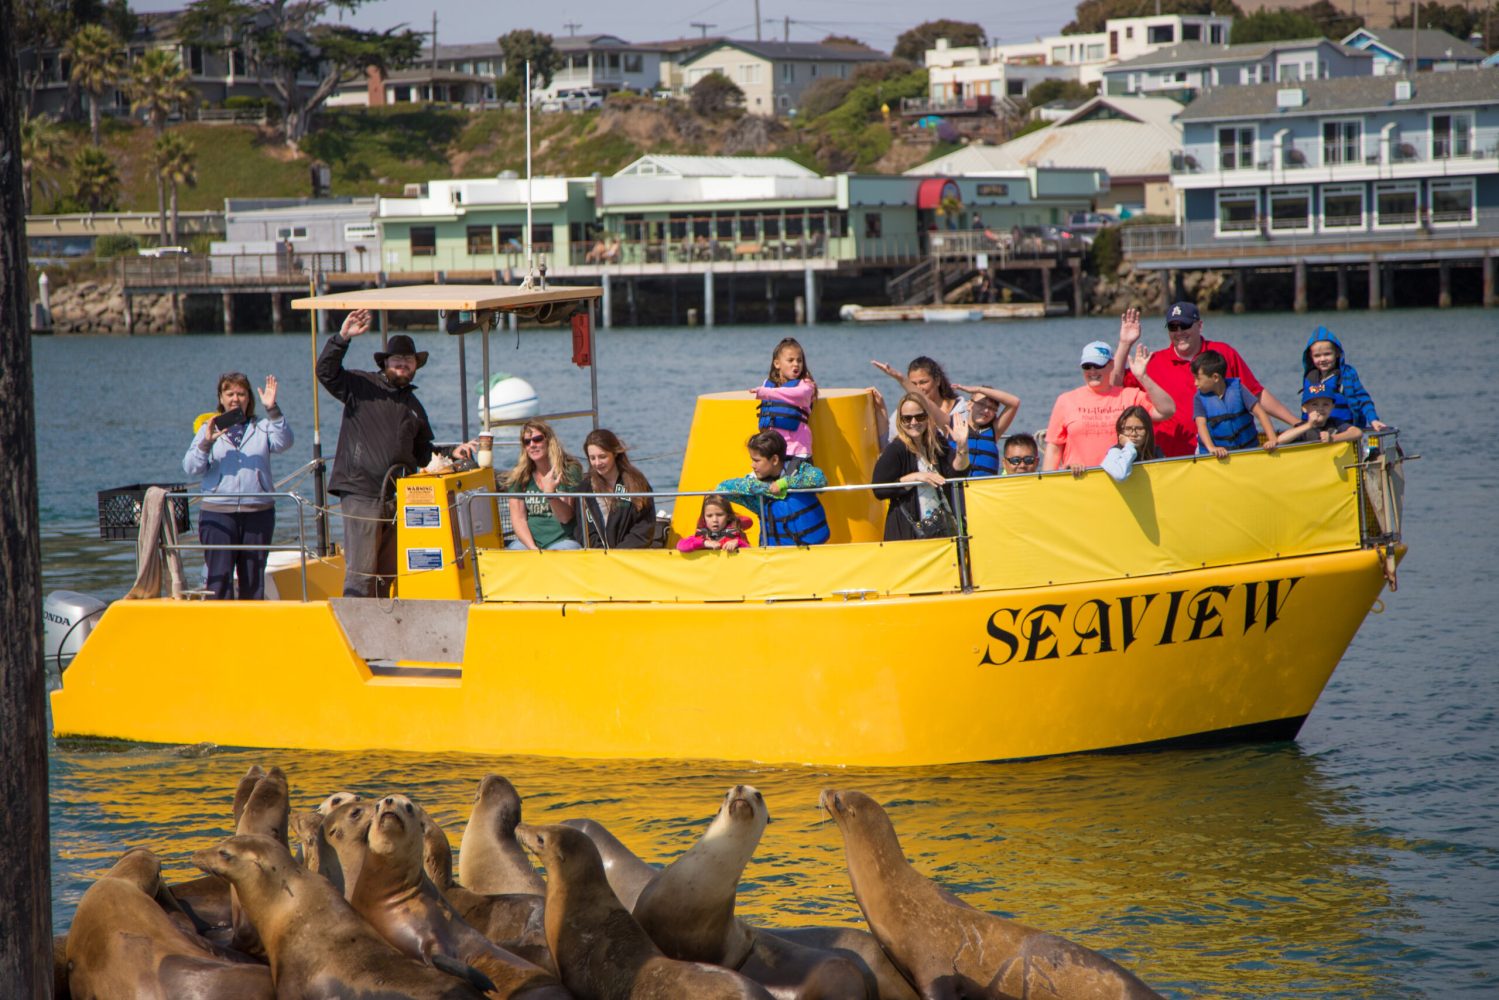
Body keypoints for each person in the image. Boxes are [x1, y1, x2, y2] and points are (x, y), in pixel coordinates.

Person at [318, 312, 472, 597]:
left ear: (416, 366)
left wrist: (454, 452)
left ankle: (381, 631)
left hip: (397, 497)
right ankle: (352, 630)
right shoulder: (360, 385)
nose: (402, 364)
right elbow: (325, 372)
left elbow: (425, 453)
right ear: (385, 363)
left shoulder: (414, 405)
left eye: (408, 361)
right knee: (361, 572)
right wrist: (343, 338)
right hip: (361, 492)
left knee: (388, 572)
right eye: (396, 360)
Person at [1113, 302, 1295, 457]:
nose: (1179, 332)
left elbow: (1256, 394)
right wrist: (1125, 343)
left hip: (1223, 455)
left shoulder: (1222, 353)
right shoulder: (1151, 362)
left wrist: (1296, 423)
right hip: (1171, 459)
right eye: (1173, 327)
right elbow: (1114, 385)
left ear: (1199, 325)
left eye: (1184, 326)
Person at [182, 371, 293, 599]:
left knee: (253, 581)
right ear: (221, 398)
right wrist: (206, 443)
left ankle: (250, 630)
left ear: (249, 398)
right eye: (230, 393)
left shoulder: (262, 426)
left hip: (257, 514)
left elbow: (285, 443)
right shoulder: (207, 429)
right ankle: (220, 630)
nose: (235, 398)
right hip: (218, 516)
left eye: (241, 393)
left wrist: (273, 409)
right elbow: (191, 467)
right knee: (218, 580)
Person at [1044, 340, 1173, 475]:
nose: (1092, 371)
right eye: (1087, 366)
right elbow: (1054, 448)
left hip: (1122, 480)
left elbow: (1166, 411)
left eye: (1098, 365)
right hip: (1079, 482)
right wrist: (1047, 485)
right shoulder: (1066, 400)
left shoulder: (1130, 395)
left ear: (1111, 365)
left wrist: (1143, 377)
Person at [872, 392, 970, 541]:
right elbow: (879, 489)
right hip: (909, 532)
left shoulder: (937, 442)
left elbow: (957, 473)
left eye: (920, 417)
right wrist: (914, 478)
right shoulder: (896, 449)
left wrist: (962, 446)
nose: (913, 422)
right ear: (900, 420)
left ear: (927, 417)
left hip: (942, 528)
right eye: (907, 418)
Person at [715, 431, 830, 547]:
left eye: (756, 460)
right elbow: (722, 488)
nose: (752, 465)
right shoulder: (753, 481)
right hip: (775, 555)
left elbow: (820, 479)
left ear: (774, 460)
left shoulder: (799, 468)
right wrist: (767, 489)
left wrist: (785, 483)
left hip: (813, 549)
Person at [504, 420, 584, 550]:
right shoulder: (519, 475)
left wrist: (550, 495)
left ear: (548, 440)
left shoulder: (568, 470)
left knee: (563, 551)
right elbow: (518, 519)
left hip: (563, 540)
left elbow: (566, 517)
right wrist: (533, 548)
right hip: (530, 543)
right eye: (527, 442)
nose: (532, 445)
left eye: (537, 439)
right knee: (514, 551)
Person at [576, 428, 656, 549]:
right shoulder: (585, 487)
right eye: (592, 458)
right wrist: (600, 552)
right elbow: (582, 529)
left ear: (614, 453)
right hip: (598, 558)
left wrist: (619, 553)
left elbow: (645, 527)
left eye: (602, 457)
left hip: (629, 555)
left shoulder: (636, 482)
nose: (597, 463)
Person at [1192, 349, 1278, 458]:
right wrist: (1211, 448)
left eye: (1198, 379)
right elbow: (1201, 425)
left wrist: (1272, 439)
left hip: (1247, 452)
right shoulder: (1199, 398)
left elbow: (1260, 412)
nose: (1195, 383)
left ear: (1215, 377)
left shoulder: (1239, 389)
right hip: (1216, 457)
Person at [1302, 325, 1387, 431]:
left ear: (1337, 353)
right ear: (1310, 356)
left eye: (1327, 354)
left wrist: (1373, 419)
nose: (1322, 359)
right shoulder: (1309, 377)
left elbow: (1363, 398)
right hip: (1316, 428)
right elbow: (1305, 407)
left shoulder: (1347, 373)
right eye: (1317, 356)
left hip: (1345, 427)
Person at [752, 337, 817, 466]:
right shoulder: (767, 384)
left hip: (798, 452)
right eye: (790, 360)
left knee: (788, 484)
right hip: (774, 452)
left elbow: (799, 395)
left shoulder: (806, 385)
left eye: (799, 360)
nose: (796, 364)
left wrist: (766, 393)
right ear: (777, 364)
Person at [871, 356, 968, 436]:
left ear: (938, 380)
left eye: (923, 382)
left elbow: (947, 424)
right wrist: (881, 410)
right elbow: (888, 441)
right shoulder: (906, 412)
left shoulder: (961, 409)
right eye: (913, 384)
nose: (918, 388)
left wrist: (900, 378)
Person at [950, 383, 1020, 477]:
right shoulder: (952, 426)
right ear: (969, 404)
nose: (986, 410)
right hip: (959, 488)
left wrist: (979, 389)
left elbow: (1014, 402)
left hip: (985, 490)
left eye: (992, 408)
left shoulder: (995, 430)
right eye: (981, 404)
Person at [1276, 383, 1364, 445]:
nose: (1320, 408)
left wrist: (1333, 438)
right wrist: (1309, 425)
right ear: (1304, 408)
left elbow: (1357, 432)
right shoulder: (1302, 427)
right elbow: (1281, 440)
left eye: (1325, 404)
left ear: (1332, 407)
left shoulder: (1336, 423)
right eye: (1314, 404)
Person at [1101, 405, 1159, 482]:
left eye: (1139, 428)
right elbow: (1119, 475)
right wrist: (1129, 447)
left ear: (1148, 431)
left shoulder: (1156, 451)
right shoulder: (1115, 451)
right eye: (1128, 429)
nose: (1134, 434)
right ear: (1121, 431)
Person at [675, 495, 750, 552]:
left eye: (719, 515)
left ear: (728, 516)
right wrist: (704, 543)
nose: (715, 520)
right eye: (709, 516)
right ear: (704, 518)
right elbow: (680, 545)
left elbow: (750, 550)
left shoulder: (736, 537)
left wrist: (738, 543)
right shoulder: (702, 536)